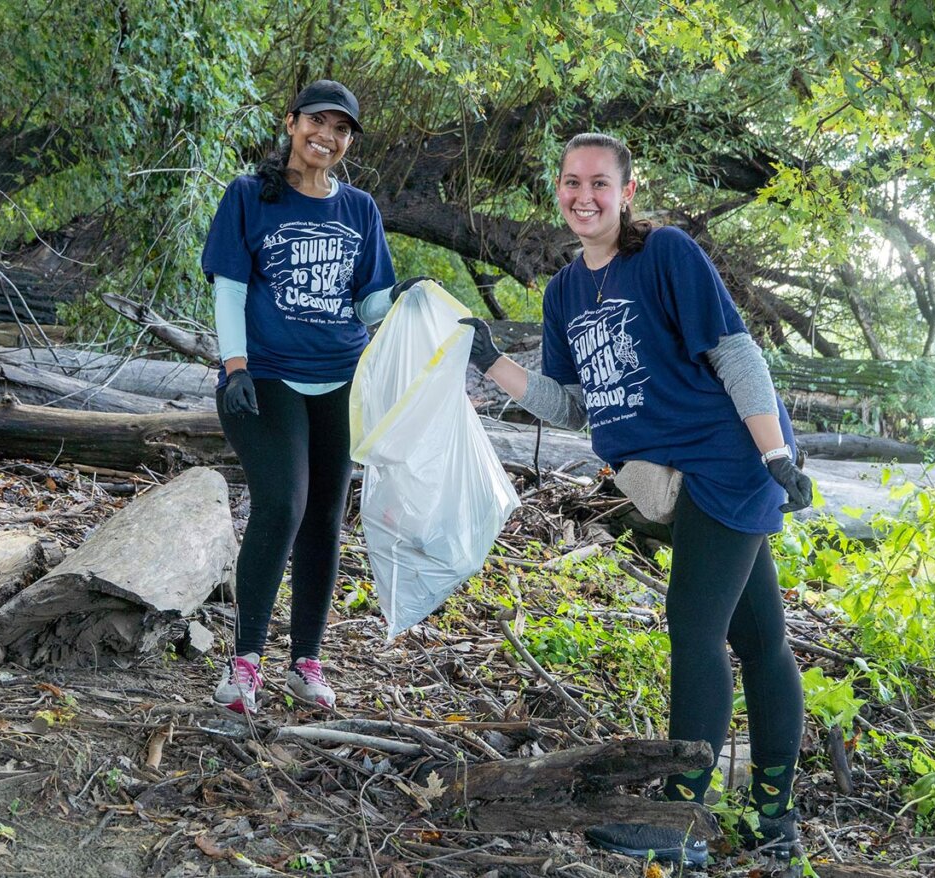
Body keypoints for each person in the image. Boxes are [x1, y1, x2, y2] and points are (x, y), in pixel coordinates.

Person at [460, 133, 812, 867]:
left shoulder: (666, 256)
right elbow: (571, 405)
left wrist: (776, 452)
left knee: (693, 625)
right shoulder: (563, 292)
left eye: (599, 183)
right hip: (675, 482)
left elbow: (735, 350)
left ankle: (683, 819)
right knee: (756, 639)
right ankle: (775, 822)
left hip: (727, 463)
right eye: (570, 182)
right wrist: (492, 362)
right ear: (558, 190)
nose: (583, 196)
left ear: (627, 192)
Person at [201, 80, 427, 714]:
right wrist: (235, 365)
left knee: (326, 516)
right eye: (317, 122)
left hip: (342, 377)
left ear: (348, 142)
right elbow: (228, 287)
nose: (326, 135)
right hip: (266, 374)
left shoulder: (358, 209)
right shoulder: (250, 196)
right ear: (292, 122)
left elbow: (368, 304)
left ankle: (306, 662)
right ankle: (245, 665)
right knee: (283, 502)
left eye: (341, 128)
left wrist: (410, 296)